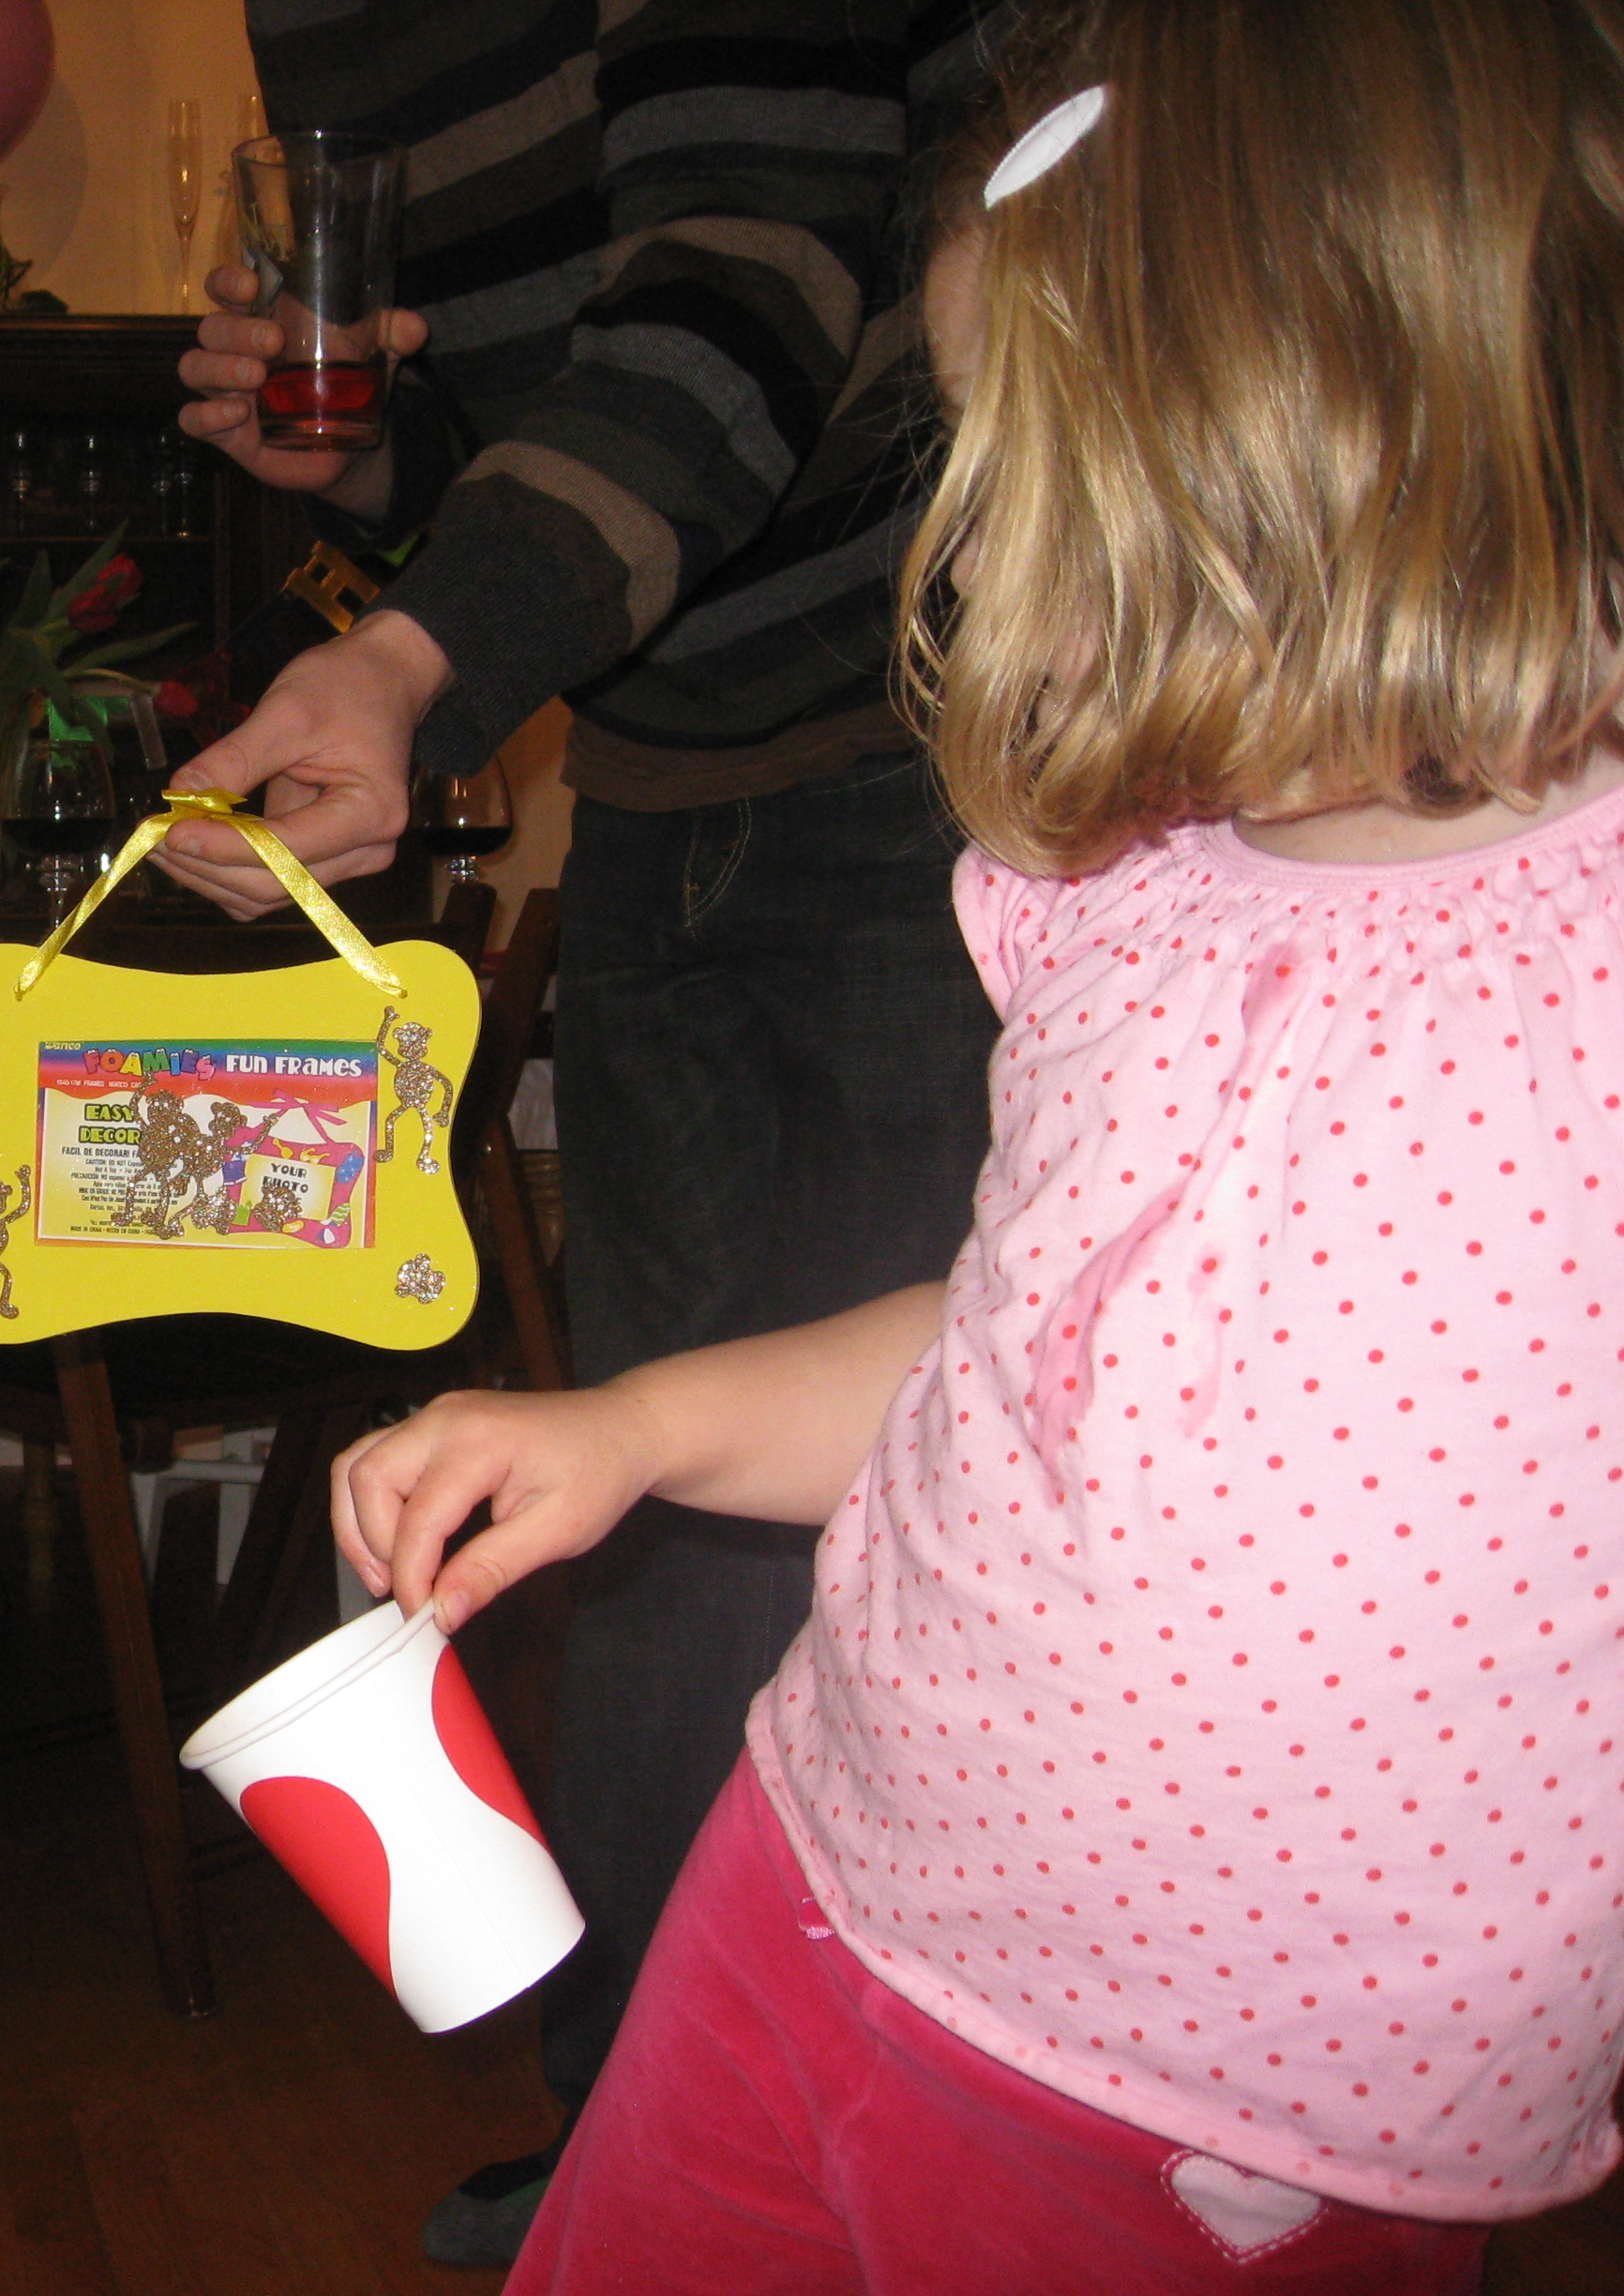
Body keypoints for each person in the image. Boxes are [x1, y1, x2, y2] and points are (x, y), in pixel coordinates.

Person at [336, 0, 1624, 2282]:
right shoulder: (1122, 893)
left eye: (1053, 484)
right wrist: (640, 1426)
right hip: (809, 1880)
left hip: (1218, 2128)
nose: (980, 575)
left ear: (1355, 432)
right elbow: (1026, 1349)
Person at [177, 2, 1008, 2257]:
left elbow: (752, 287)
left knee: (930, 1507)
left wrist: (419, 652)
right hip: (657, 782)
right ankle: (653, 2131)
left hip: (946, 748)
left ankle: (887, 2151)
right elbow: (577, 406)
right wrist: (379, 467)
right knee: (650, 1498)